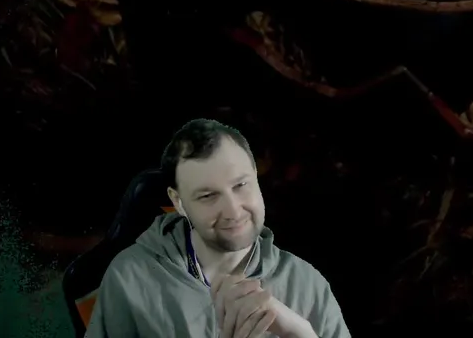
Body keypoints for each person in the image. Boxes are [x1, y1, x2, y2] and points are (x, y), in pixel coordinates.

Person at [86, 119, 350, 337]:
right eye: (208, 196)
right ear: (178, 202)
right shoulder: (130, 278)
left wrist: (302, 333)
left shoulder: (308, 284)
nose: (233, 211)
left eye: (241, 185)